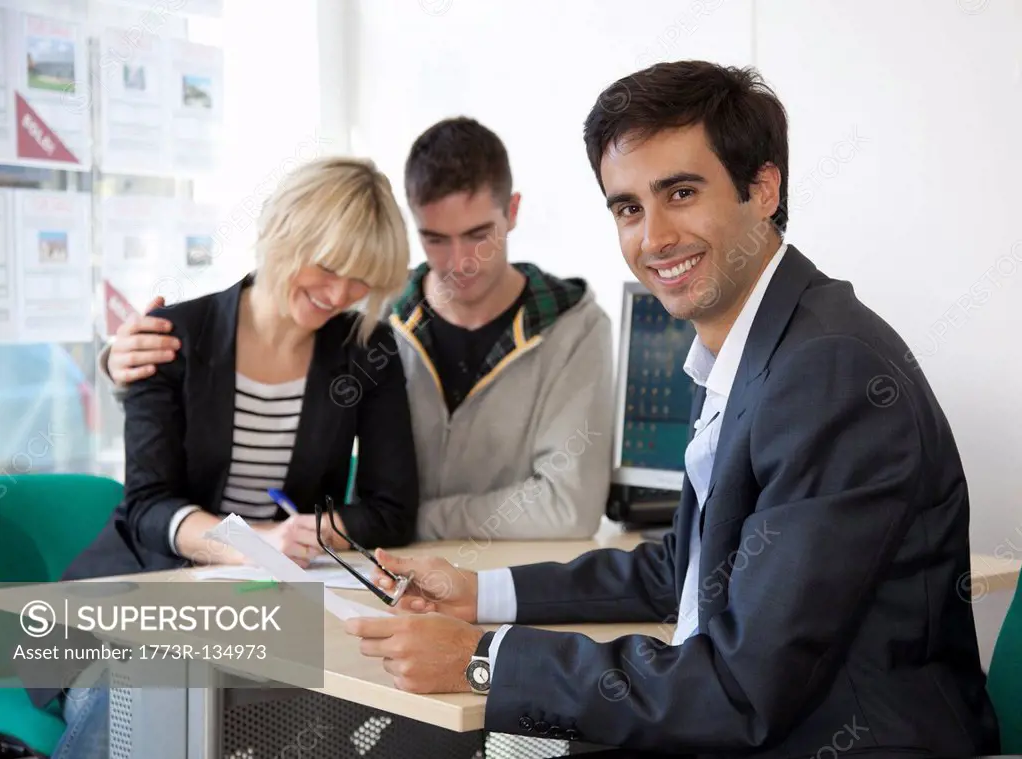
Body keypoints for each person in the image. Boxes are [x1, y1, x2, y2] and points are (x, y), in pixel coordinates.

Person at [343, 61, 1001, 758]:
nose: (652, 238)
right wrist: (480, 592)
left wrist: (484, 657)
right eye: (627, 208)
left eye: (680, 193)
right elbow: (684, 568)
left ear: (763, 189)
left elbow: (740, 689)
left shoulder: (828, 372)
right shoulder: (750, 338)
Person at [33, 157, 420, 758]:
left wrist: (313, 531)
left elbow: (392, 507)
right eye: (329, 267)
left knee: (346, 705)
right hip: (140, 595)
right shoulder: (170, 337)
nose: (341, 293)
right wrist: (250, 544)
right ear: (281, 234)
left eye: (362, 279)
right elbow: (148, 507)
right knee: (137, 703)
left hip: (267, 617)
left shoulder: (366, 350)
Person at [103, 117, 615, 545]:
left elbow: (395, 509)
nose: (459, 262)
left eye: (478, 234)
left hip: (430, 569)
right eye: (436, 239)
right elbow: (149, 503)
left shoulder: (368, 338)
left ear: (513, 212)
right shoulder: (383, 315)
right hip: (175, 576)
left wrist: (366, 524)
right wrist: (111, 361)